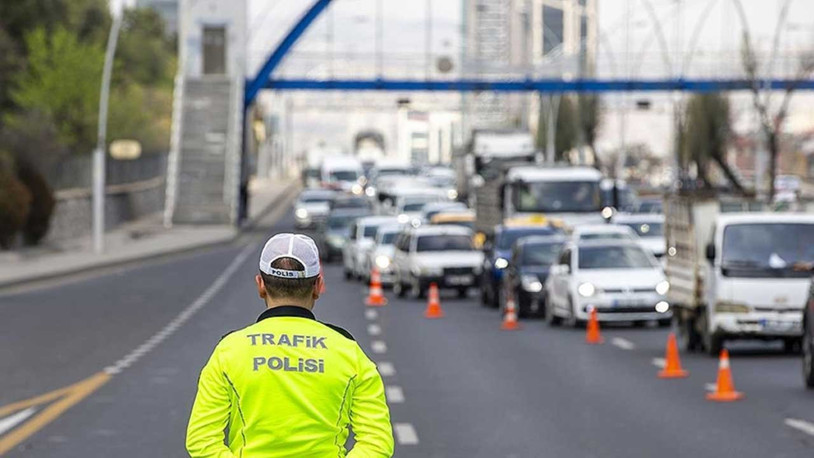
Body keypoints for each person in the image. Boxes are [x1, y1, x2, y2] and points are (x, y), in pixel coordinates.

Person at [186, 233, 394, 457]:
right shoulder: (349, 352)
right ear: (318, 286)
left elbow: (201, 440)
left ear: (261, 285)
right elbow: (377, 442)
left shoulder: (229, 351)